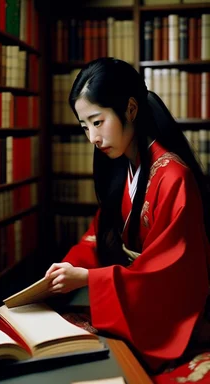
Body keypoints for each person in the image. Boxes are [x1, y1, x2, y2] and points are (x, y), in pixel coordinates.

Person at [45, 57, 210, 373]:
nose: (92, 138)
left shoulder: (173, 176)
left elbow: (169, 274)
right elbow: (97, 236)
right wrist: (70, 266)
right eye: (84, 127)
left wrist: (90, 280)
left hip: (171, 304)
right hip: (136, 294)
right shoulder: (123, 167)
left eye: (97, 122)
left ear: (131, 110)